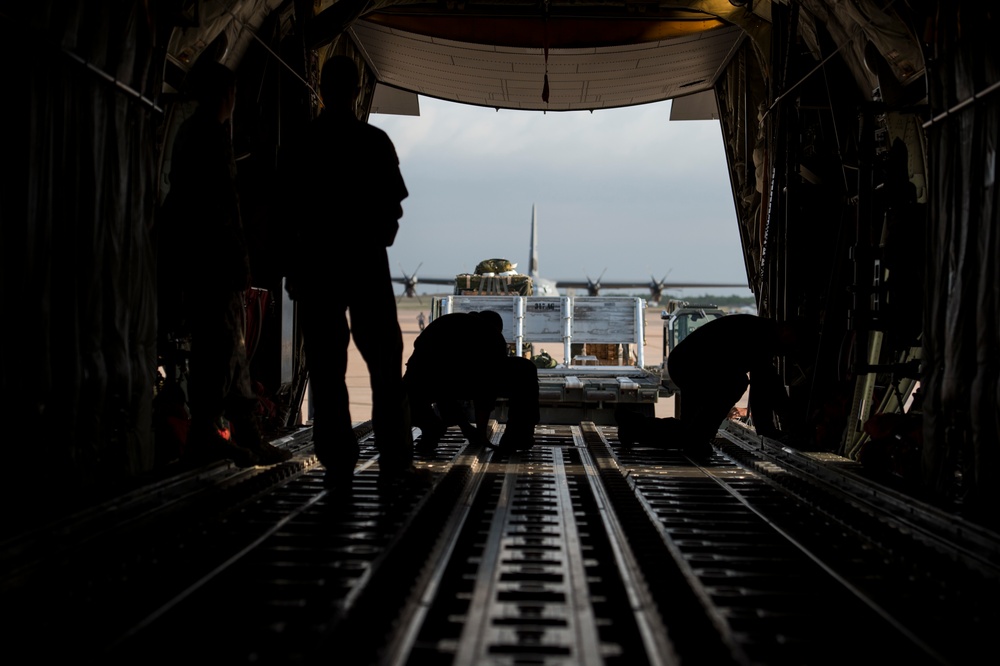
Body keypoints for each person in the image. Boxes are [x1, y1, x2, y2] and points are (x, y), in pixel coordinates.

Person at [279, 54, 417, 492]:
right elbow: (393, 206)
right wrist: (376, 236)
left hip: (317, 264)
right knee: (384, 362)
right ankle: (395, 457)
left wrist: (295, 265)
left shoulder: (300, 143)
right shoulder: (374, 142)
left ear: (321, 87)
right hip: (365, 262)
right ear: (358, 90)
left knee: (325, 363)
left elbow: (284, 215)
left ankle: (337, 459)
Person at [162, 58, 291, 468]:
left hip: (200, 262)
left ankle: (238, 436)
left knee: (227, 354)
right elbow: (222, 209)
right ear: (226, 95)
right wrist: (238, 262)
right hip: (215, 264)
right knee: (220, 352)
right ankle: (209, 438)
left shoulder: (188, 134)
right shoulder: (211, 136)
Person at [615, 314, 804, 459]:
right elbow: (768, 386)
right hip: (693, 367)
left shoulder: (761, 330)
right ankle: (697, 439)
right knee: (735, 384)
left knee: (688, 431)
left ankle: (632, 425)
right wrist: (786, 427)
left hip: (690, 365)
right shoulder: (761, 335)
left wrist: (769, 429)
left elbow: (764, 386)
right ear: (786, 331)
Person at [403, 310, 539, 453]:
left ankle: (430, 427)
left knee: (407, 401)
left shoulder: (448, 323)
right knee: (525, 369)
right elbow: (486, 391)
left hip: (421, 380)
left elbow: (444, 389)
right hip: (440, 377)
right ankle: (518, 436)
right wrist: (479, 434)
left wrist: (465, 427)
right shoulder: (491, 336)